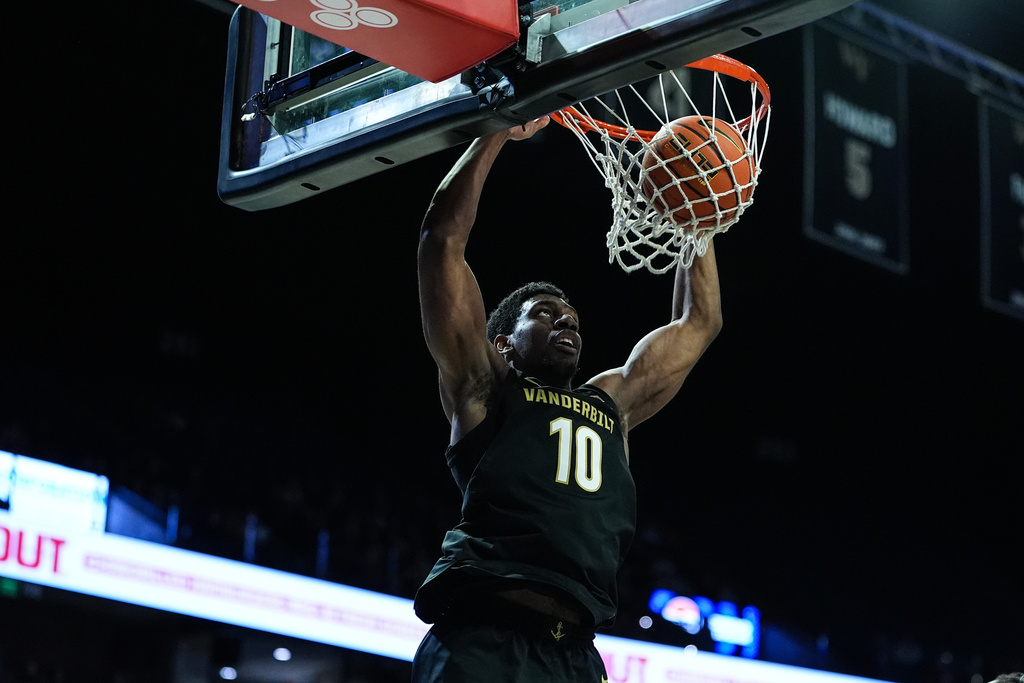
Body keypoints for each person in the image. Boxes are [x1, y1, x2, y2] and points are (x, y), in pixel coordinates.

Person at [411, 115, 723, 682]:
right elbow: (442, 240)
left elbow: (699, 321)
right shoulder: (485, 387)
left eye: (572, 314)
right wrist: (498, 129)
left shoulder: (611, 404)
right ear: (503, 343)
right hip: (482, 639)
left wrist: (694, 213)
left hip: (575, 655)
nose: (567, 318)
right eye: (546, 314)